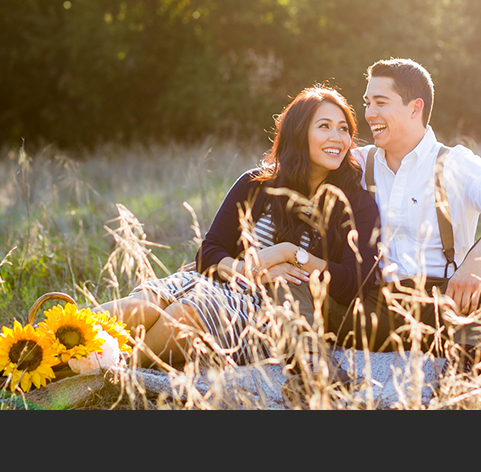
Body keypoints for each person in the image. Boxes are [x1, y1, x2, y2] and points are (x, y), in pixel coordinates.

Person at [95, 85, 380, 373]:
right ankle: (55, 340)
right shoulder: (256, 183)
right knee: (143, 304)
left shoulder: (356, 204)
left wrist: (291, 253)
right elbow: (209, 252)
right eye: (325, 126)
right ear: (299, 132)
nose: (338, 138)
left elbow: (354, 284)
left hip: (265, 311)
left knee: (187, 312)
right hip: (219, 280)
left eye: (344, 129)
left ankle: (116, 371)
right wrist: (250, 270)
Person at [331, 57, 481, 369]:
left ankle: (465, 377)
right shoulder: (359, 163)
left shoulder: (454, 163)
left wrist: (476, 262)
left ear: (415, 108)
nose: (368, 114)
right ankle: (306, 365)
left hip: (446, 306)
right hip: (373, 310)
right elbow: (285, 177)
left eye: (380, 102)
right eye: (367, 102)